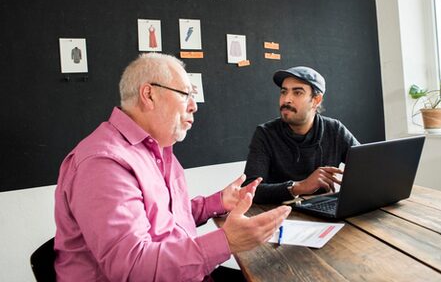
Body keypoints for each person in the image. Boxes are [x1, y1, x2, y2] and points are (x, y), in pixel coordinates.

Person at [54, 53, 291, 282]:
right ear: (149, 95)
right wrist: (228, 241)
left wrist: (217, 202)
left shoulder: (157, 149)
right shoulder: (104, 164)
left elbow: (164, 216)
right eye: (186, 94)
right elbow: (133, 269)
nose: (194, 106)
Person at [244, 66, 360, 204]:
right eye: (283, 92)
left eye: (297, 93)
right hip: (278, 214)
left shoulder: (335, 130)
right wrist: (299, 187)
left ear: (316, 100)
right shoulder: (265, 133)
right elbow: (250, 189)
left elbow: (367, 166)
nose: (286, 99)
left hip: (323, 209)